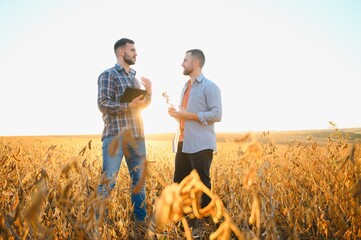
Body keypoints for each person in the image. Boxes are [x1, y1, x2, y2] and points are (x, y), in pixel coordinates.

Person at [97, 38, 152, 232]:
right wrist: (127, 106)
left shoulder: (135, 79)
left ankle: (140, 223)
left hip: (137, 136)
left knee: (139, 181)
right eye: (132, 50)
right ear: (122, 52)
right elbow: (102, 103)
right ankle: (96, 225)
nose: (136, 53)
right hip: (116, 136)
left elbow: (141, 106)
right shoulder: (108, 75)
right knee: (109, 180)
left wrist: (149, 93)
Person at [168, 49, 222, 210]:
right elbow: (186, 115)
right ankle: (182, 218)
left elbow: (217, 114)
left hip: (201, 144)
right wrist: (177, 115)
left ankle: (205, 221)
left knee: (202, 185)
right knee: (179, 183)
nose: (182, 63)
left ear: (196, 63)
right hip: (183, 142)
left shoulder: (210, 87)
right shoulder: (185, 87)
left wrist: (189, 115)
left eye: (185, 60)